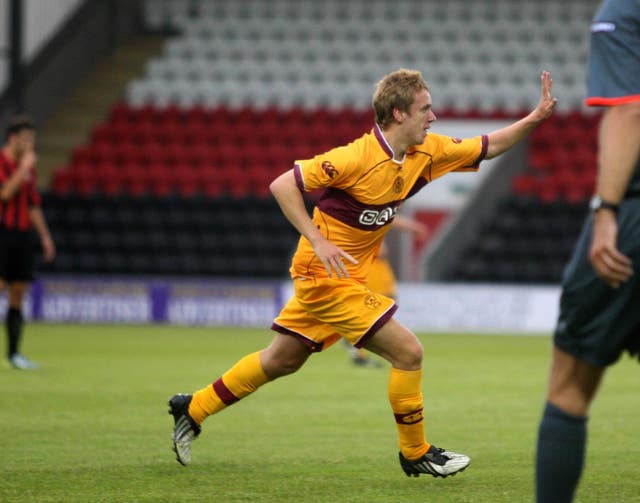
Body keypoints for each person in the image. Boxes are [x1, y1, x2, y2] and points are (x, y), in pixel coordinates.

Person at [169, 68, 557, 476]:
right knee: (408, 352)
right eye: (425, 109)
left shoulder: (428, 152)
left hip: (345, 277)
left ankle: (192, 407)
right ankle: (415, 452)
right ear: (398, 113)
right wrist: (317, 239)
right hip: (322, 274)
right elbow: (283, 185)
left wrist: (534, 118)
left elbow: (489, 146)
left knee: (282, 359)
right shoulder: (355, 158)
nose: (434, 116)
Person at [535, 1, 640, 501]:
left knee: (569, 384)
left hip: (635, 222)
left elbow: (632, 110)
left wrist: (606, 212)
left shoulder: (622, 10)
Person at [0, 115, 55, 370]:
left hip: (22, 236)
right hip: (2, 232)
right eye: (26, 139)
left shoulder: (27, 167)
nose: (30, 144)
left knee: (17, 294)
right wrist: (23, 168)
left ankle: (13, 355)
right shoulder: (4, 162)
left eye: (32, 139)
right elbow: (4, 194)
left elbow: (33, 205)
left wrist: (44, 236)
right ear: (13, 139)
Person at [344, 214, 428, 367]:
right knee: (371, 310)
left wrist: (412, 228)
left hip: (379, 266)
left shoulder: (378, 211)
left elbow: (389, 218)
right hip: (369, 266)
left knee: (388, 304)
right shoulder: (361, 209)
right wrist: (413, 228)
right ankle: (356, 349)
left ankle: (355, 344)